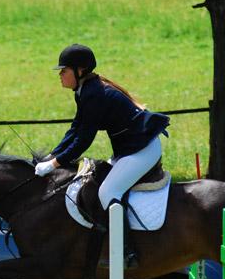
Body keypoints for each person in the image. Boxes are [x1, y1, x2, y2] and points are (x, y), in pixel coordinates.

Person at [34, 44, 170, 267]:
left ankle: (127, 251)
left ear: (80, 70)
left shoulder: (93, 94)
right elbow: (76, 129)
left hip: (142, 150)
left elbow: (84, 140)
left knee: (108, 191)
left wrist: (54, 164)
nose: (60, 75)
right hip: (129, 148)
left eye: (64, 70)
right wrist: (52, 155)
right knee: (96, 184)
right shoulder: (85, 90)